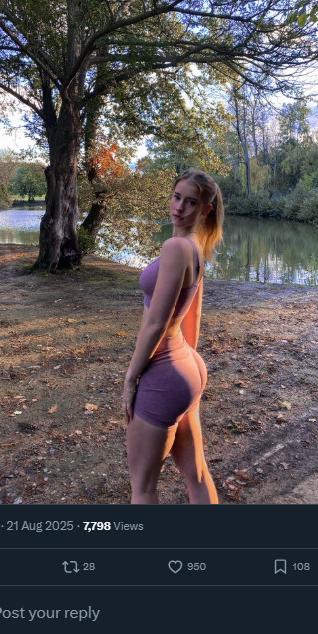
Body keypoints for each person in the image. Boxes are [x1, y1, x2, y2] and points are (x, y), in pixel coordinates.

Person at [123, 168, 224, 504]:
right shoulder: (196, 246)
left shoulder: (176, 246)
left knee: (143, 488)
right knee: (197, 474)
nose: (179, 207)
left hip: (166, 372)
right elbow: (193, 311)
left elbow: (156, 324)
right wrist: (188, 365)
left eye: (191, 202)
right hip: (186, 368)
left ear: (206, 209)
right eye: (177, 197)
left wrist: (131, 378)